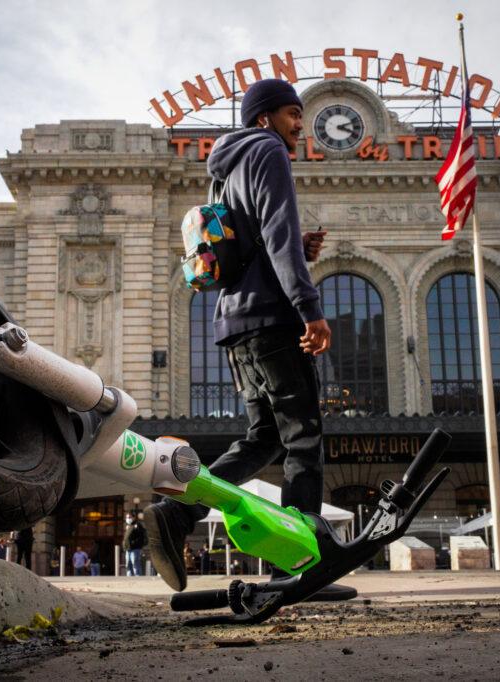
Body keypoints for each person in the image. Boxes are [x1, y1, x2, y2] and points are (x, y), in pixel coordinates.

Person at [144, 78, 333, 593]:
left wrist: (300, 247)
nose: (301, 125)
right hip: (274, 320)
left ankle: (176, 514)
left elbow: (243, 244)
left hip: (234, 323)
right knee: (303, 438)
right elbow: (275, 231)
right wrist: (309, 308)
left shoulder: (224, 171)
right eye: (293, 113)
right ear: (265, 117)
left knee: (263, 438)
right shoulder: (269, 151)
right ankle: (298, 560)